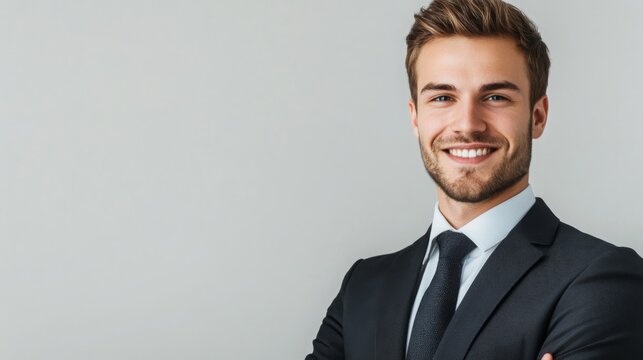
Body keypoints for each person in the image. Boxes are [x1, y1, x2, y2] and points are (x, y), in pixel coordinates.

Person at [305, 0, 643, 359]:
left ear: (538, 116)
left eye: (495, 96)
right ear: (416, 117)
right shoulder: (363, 285)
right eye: (443, 97)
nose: (467, 124)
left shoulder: (602, 280)